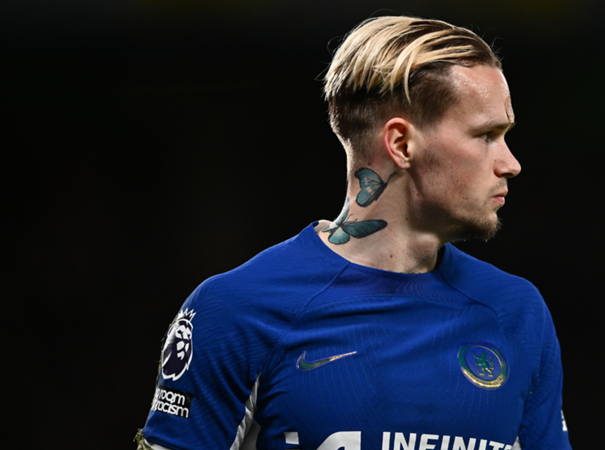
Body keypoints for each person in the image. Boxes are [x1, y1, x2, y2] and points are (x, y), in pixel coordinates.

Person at [137, 15, 571, 450]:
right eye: (487, 135)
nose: (511, 164)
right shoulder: (237, 310)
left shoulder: (517, 312)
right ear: (401, 144)